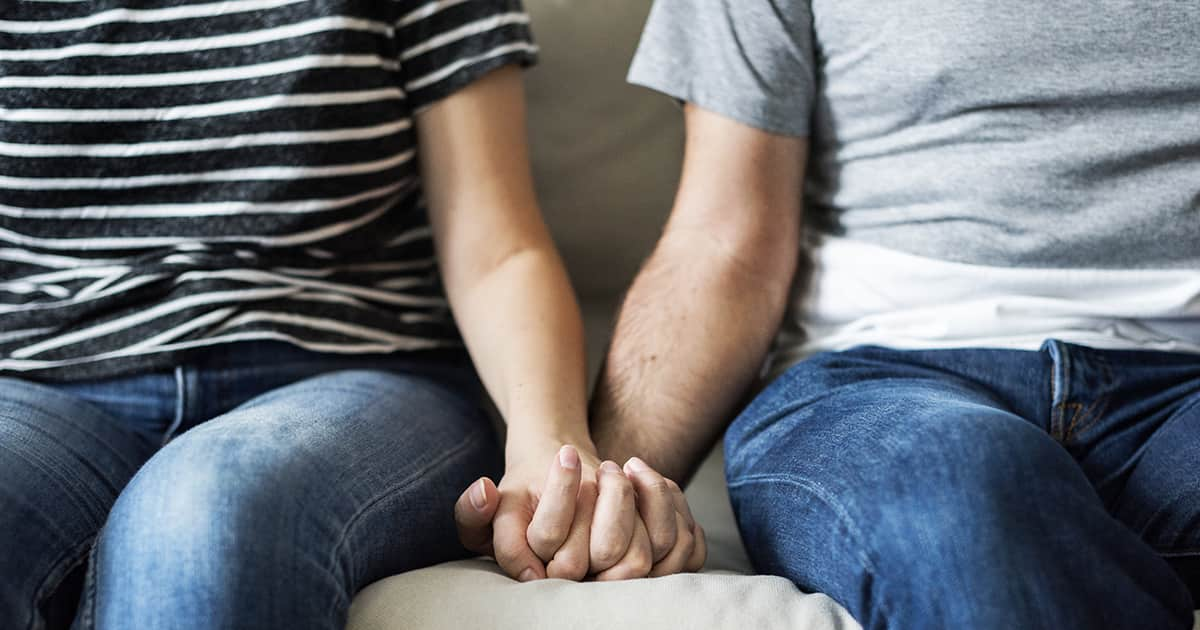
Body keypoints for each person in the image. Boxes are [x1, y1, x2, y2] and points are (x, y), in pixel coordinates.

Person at [0, 1, 700, 629]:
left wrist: (550, 448)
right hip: (41, 384)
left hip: (355, 378)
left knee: (212, 509)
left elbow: (496, 247)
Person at [574, 1, 1200, 629]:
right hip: (875, 381)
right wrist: (602, 497)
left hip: (1186, 388)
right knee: (958, 485)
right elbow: (723, 244)